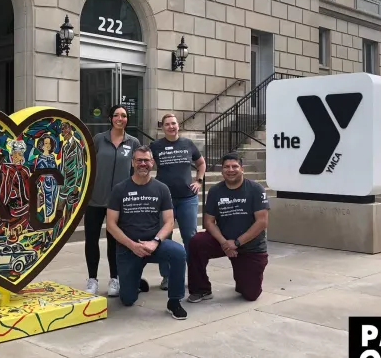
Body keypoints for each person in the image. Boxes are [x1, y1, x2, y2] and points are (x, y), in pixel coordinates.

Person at [106, 146, 188, 320]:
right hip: (128, 248)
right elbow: (111, 224)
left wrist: (155, 242)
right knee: (127, 299)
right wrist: (132, 245)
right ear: (132, 162)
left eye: (146, 160)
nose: (143, 164)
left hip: (153, 245)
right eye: (139, 160)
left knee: (179, 252)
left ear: (152, 163)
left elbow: (169, 222)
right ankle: (135, 281)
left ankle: (174, 301)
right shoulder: (120, 189)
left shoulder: (162, 188)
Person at [186, 152, 270, 302]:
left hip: (250, 246)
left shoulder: (256, 189)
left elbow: (262, 222)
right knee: (196, 242)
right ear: (222, 170)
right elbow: (209, 222)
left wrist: (237, 243)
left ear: (242, 169)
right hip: (223, 242)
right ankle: (201, 289)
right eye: (226, 167)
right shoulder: (216, 191)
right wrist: (225, 243)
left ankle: (243, 278)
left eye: (234, 166)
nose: (230, 170)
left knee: (250, 294)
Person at [84, 105, 141, 297]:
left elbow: (136, 172)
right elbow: (88, 165)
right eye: (116, 115)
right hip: (95, 200)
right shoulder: (99, 139)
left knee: (114, 242)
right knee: (91, 240)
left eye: (124, 115)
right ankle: (92, 279)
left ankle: (114, 278)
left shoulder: (133, 142)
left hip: (118, 203)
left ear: (127, 119)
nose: (120, 118)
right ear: (110, 118)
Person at [149, 113, 205, 290]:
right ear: (162, 127)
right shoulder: (155, 146)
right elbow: (144, 164)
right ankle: (167, 276)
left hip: (187, 199)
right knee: (165, 238)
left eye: (173, 123)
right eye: (167, 124)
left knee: (191, 237)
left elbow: (201, 163)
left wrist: (199, 181)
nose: (171, 127)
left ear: (178, 125)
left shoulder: (187, 144)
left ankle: (195, 274)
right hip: (165, 201)